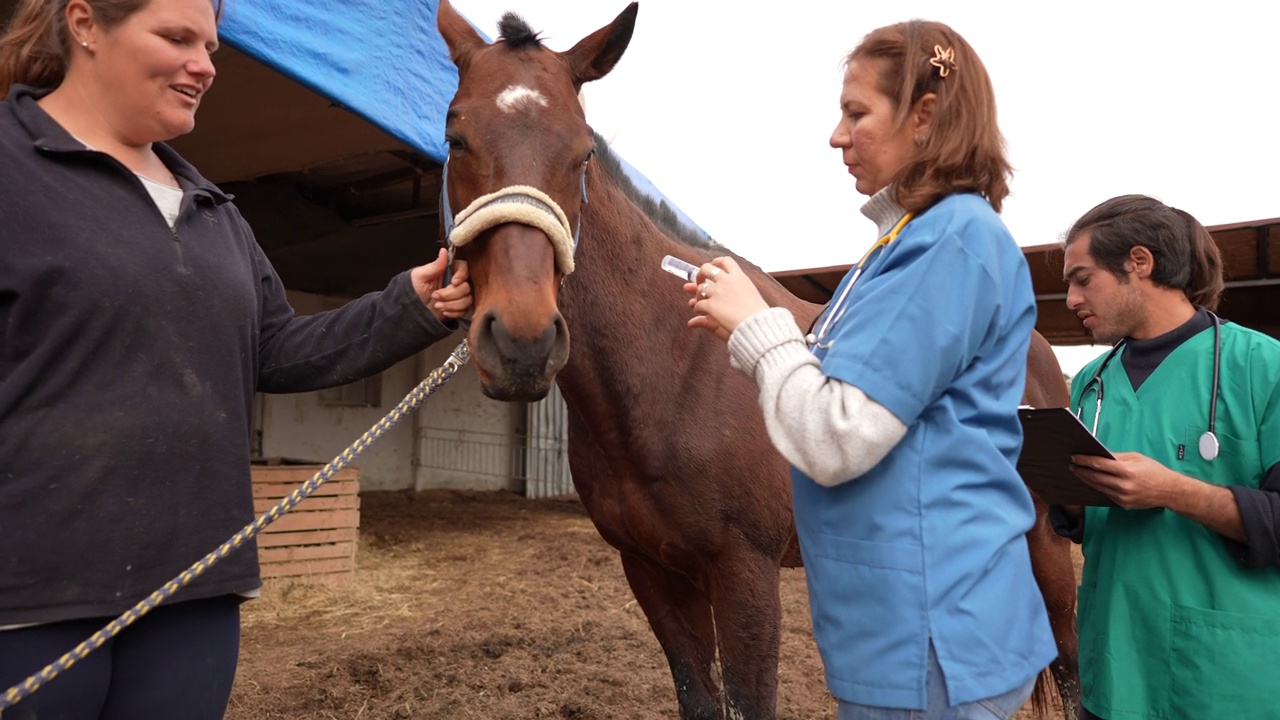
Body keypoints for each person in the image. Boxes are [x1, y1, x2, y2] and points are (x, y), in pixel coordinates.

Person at [0, 0, 471, 717]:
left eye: (212, 47)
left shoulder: (212, 207)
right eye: (177, 38)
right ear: (85, 24)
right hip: (30, 602)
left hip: (194, 593)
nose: (205, 66)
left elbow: (275, 350)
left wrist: (411, 305)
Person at [682, 19, 1056, 720]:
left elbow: (836, 435)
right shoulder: (898, 245)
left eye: (857, 113)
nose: (836, 135)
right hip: (905, 631)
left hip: (934, 639)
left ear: (926, 116)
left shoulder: (951, 243)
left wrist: (759, 328)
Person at [1051, 195, 1280, 720]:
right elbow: (1089, 520)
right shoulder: (1091, 383)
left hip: (1223, 680)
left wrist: (1173, 490)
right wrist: (1059, 489)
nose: (1069, 299)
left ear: (1139, 262)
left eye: (1082, 279)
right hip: (1112, 674)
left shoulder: (1263, 368)